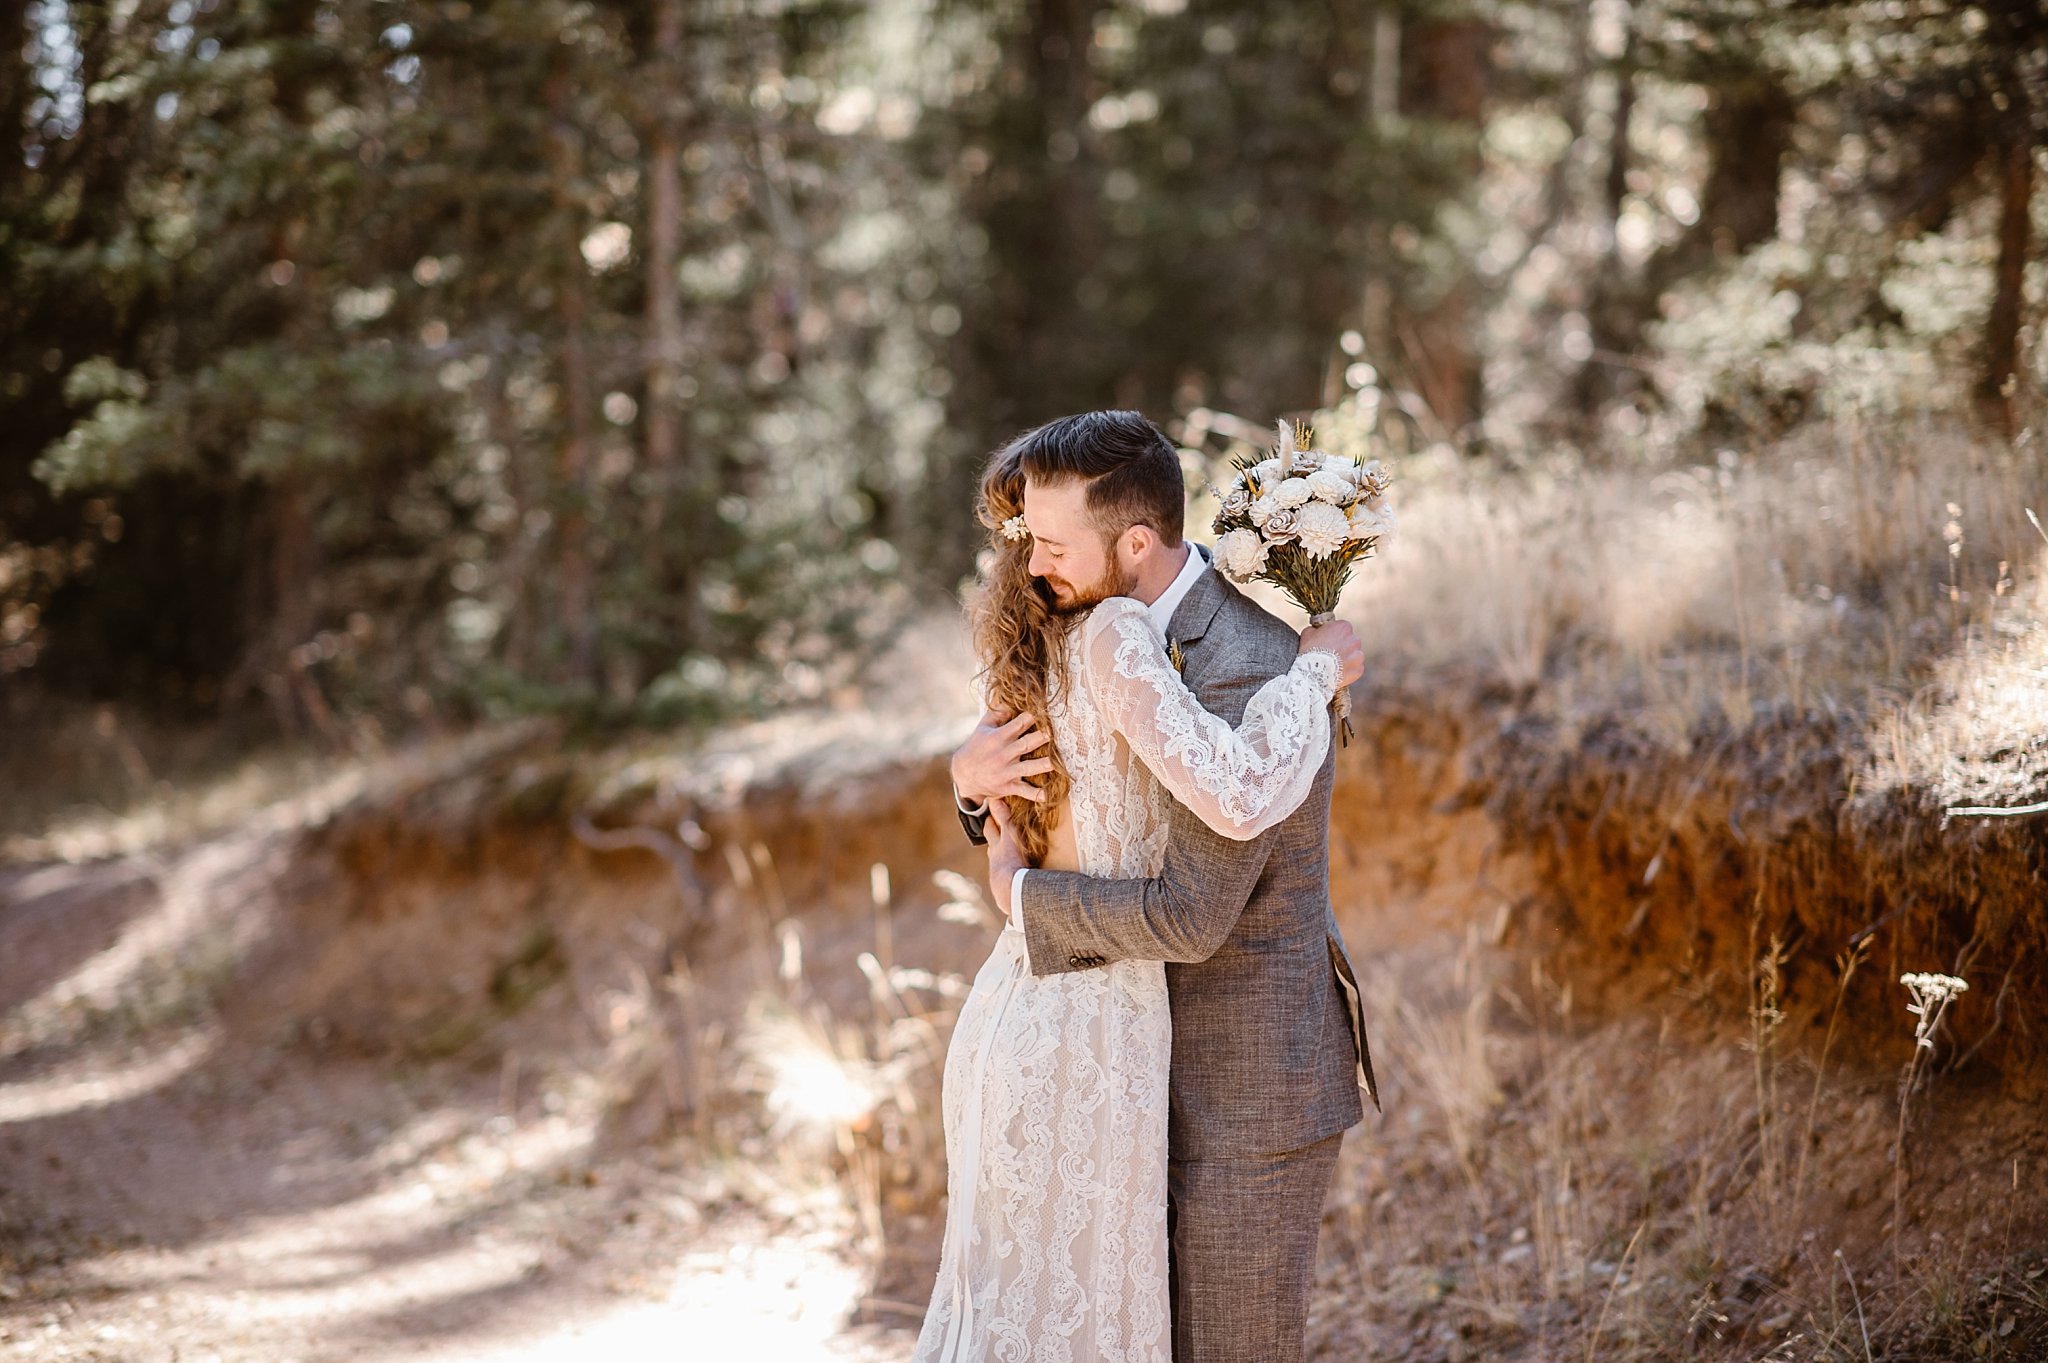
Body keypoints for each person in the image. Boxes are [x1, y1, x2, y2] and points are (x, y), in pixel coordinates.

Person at [918, 410, 1377, 1363]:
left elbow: (1191, 913)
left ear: (1134, 542)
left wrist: (1019, 898)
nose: (1030, 563)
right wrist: (975, 788)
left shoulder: (1254, 661)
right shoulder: (1083, 626)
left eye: (1050, 544)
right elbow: (1061, 797)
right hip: (1113, 1076)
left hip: (1241, 1088)